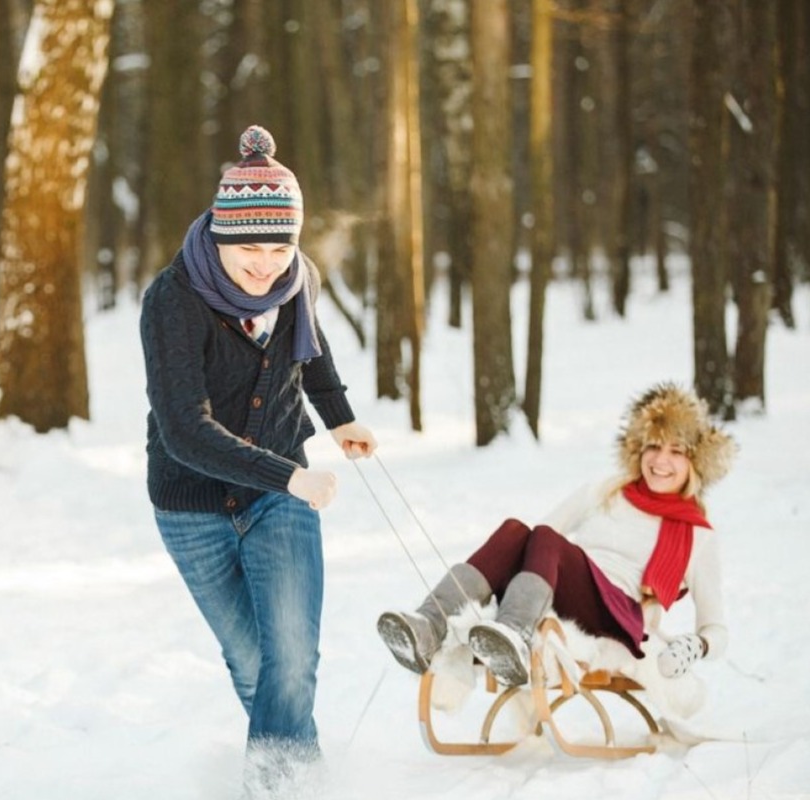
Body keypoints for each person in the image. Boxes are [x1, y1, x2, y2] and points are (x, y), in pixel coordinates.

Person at [139, 125, 377, 787]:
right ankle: (305, 778)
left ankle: (280, 788)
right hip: (194, 507)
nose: (266, 264)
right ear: (220, 235)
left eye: (280, 246)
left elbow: (313, 353)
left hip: (279, 499)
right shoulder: (172, 302)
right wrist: (291, 476)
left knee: (293, 661)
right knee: (253, 665)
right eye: (250, 248)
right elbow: (185, 429)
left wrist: (340, 417)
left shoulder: (296, 281)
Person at [377, 382, 737, 687]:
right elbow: (537, 540)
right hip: (563, 595)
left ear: (695, 463)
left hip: (615, 618)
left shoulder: (697, 535)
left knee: (546, 538)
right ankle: (430, 622)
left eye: (676, 451)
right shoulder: (606, 491)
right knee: (516, 530)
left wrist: (697, 646)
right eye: (654, 447)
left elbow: (715, 627)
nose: (661, 461)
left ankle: (515, 634)